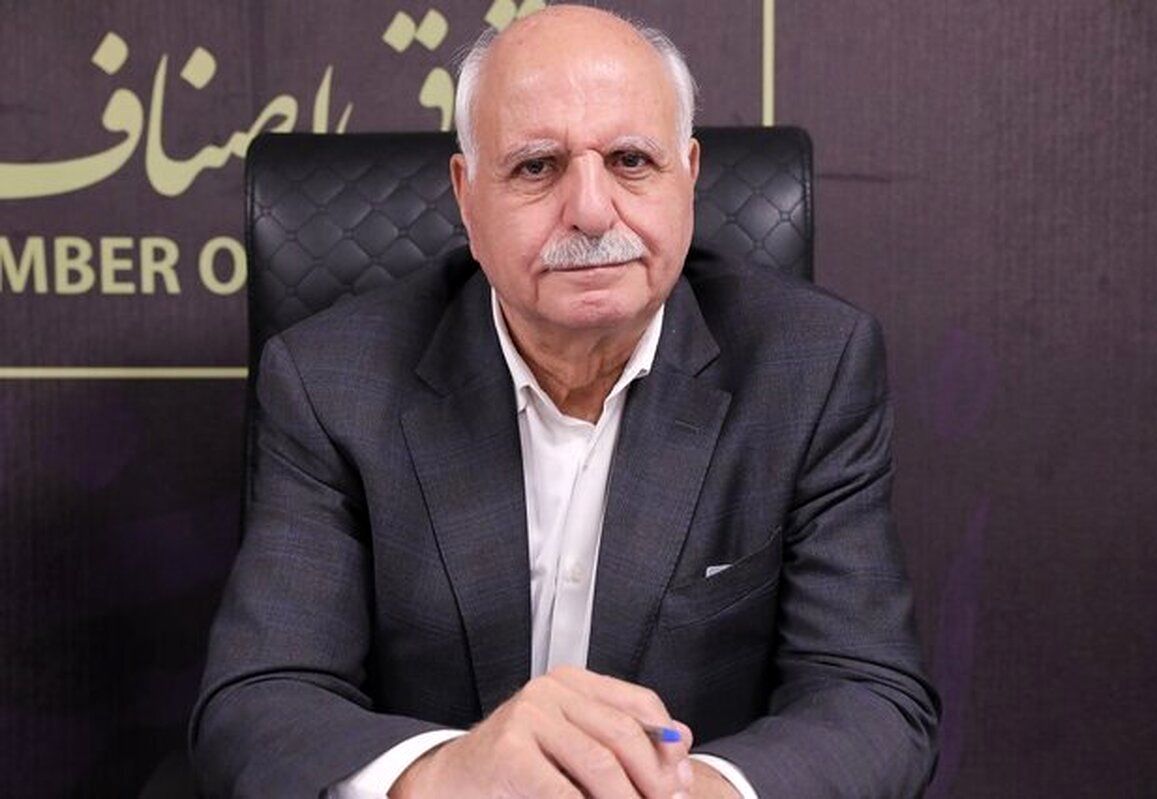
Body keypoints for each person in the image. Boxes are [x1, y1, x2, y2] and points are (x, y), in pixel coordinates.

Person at [190, 5, 939, 797]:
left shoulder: (810, 368)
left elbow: (870, 696)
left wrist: (694, 792)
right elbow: (259, 704)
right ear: (466, 195)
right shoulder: (329, 382)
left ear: (688, 176)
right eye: (537, 167)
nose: (590, 210)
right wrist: (447, 776)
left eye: (630, 160)